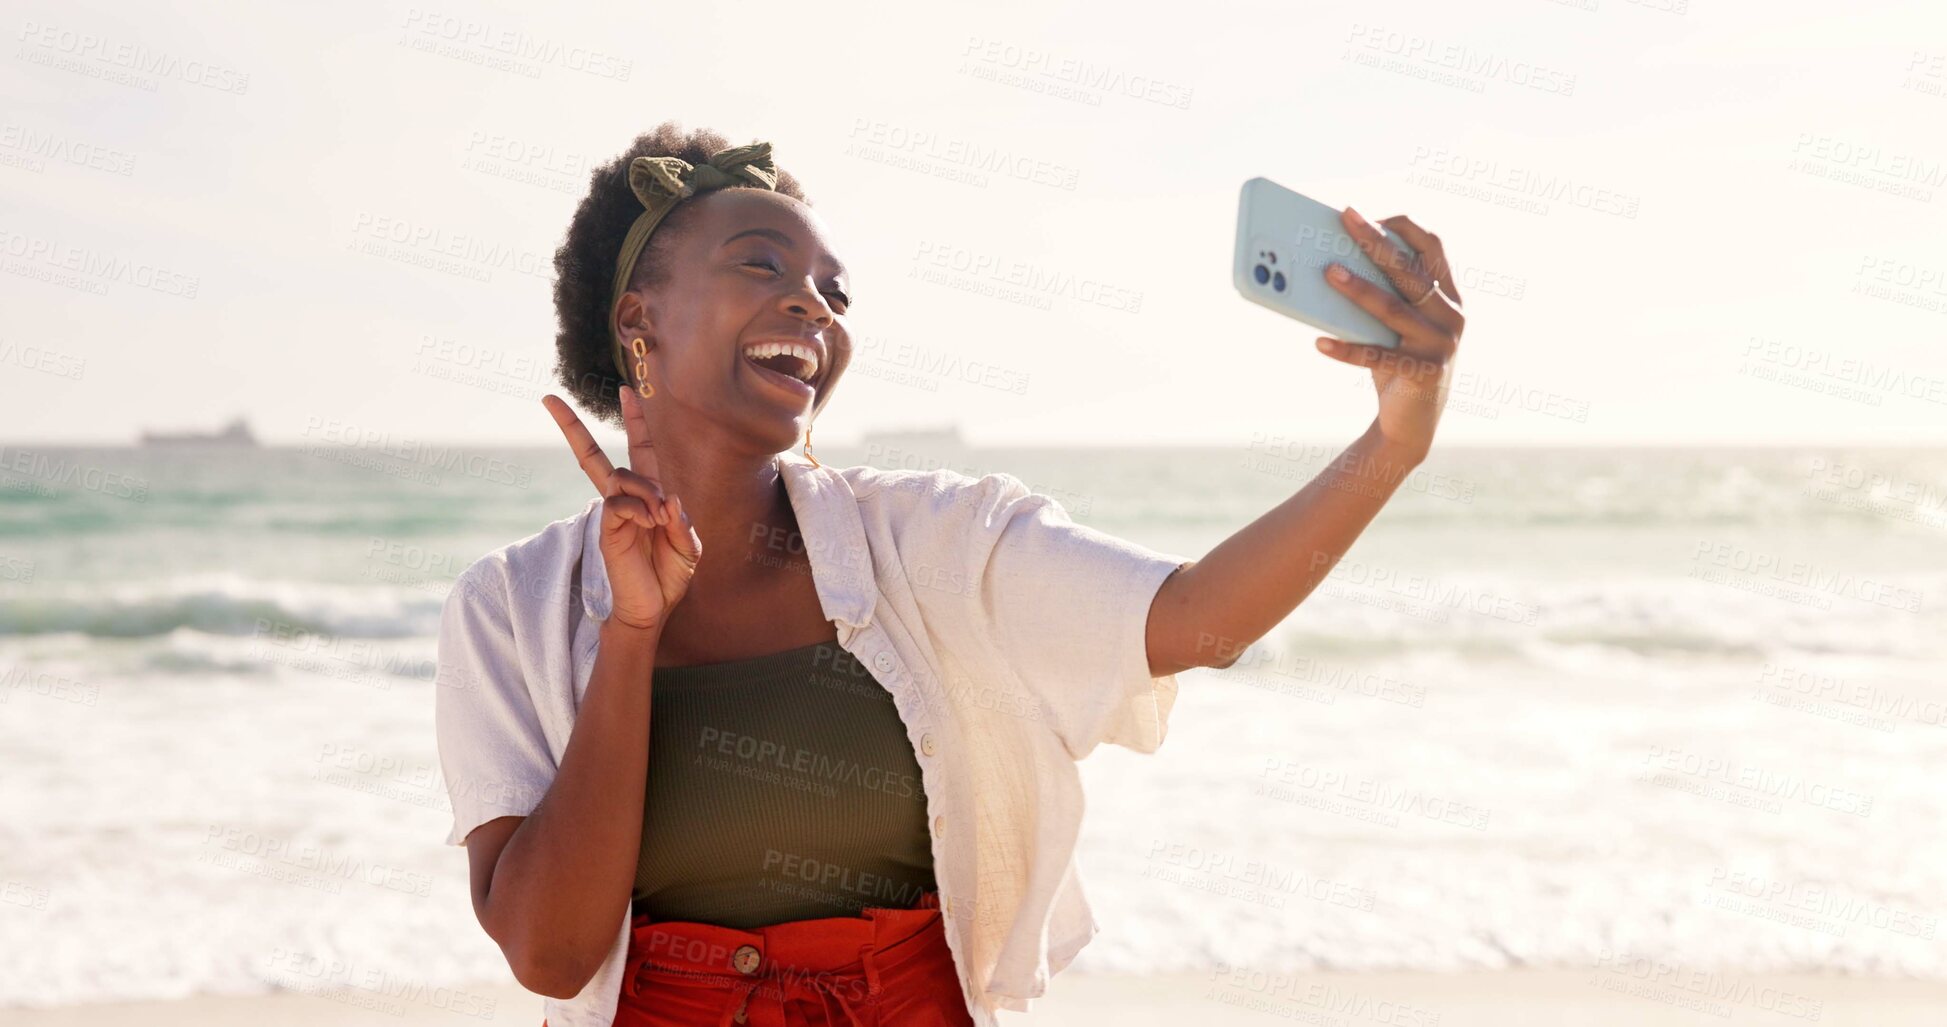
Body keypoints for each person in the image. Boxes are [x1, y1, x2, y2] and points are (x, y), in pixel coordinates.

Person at [433, 121, 1465, 1027]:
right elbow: (551, 956)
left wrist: (1395, 440)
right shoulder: (508, 608)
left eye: (832, 291)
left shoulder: (936, 540)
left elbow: (1197, 619)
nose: (815, 308)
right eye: (762, 267)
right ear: (636, 320)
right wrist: (630, 630)